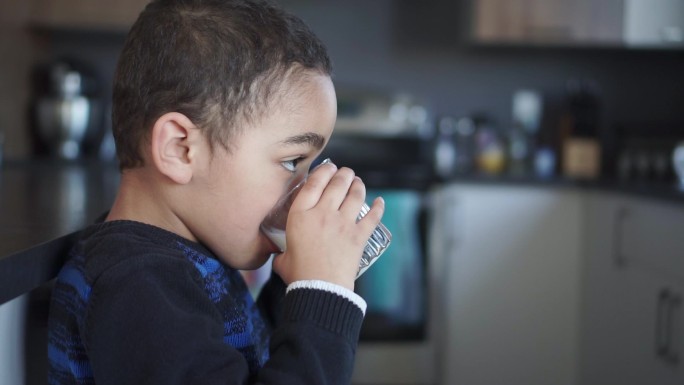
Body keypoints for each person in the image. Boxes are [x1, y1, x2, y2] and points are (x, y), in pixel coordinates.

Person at [46, 0, 385, 384]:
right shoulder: (136, 288)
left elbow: (253, 362)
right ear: (180, 149)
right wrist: (324, 296)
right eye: (292, 162)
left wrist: (297, 287)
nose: (304, 191)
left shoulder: (174, 256)